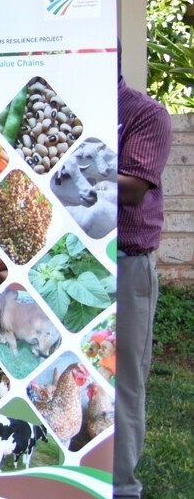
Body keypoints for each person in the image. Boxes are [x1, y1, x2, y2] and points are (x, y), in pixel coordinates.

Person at [116, 75, 169, 497]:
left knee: (123, 377)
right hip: (59, 261)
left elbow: (132, 189)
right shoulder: (59, 98)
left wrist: (55, 167)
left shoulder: (144, 113)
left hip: (123, 263)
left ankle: (121, 487)